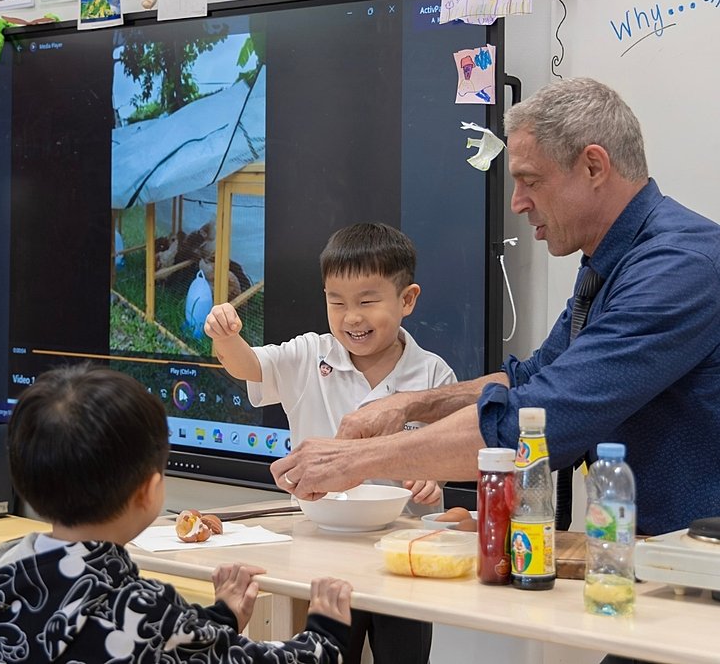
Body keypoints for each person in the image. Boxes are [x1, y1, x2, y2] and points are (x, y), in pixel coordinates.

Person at [269, 78, 720, 547]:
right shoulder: (613, 263)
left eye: (530, 180)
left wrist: (353, 461)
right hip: (660, 553)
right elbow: (530, 379)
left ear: (593, 166)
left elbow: (540, 418)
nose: (517, 202)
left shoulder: (677, 268)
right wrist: (406, 405)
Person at [205, 222, 459, 664]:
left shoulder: (434, 378)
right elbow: (248, 366)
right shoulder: (309, 354)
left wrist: (430, 479)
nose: (351, 317)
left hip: (403, 554)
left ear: (407, 299)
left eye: (367, 301)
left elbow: (449, 456)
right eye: (335, 301)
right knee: (324, 655)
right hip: (321, 547)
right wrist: (226, 339)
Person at [0, 363, 352, 664]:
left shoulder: (3, 572)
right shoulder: (146, 612)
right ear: (148, 492)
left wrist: (219, 619)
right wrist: (326, 632)